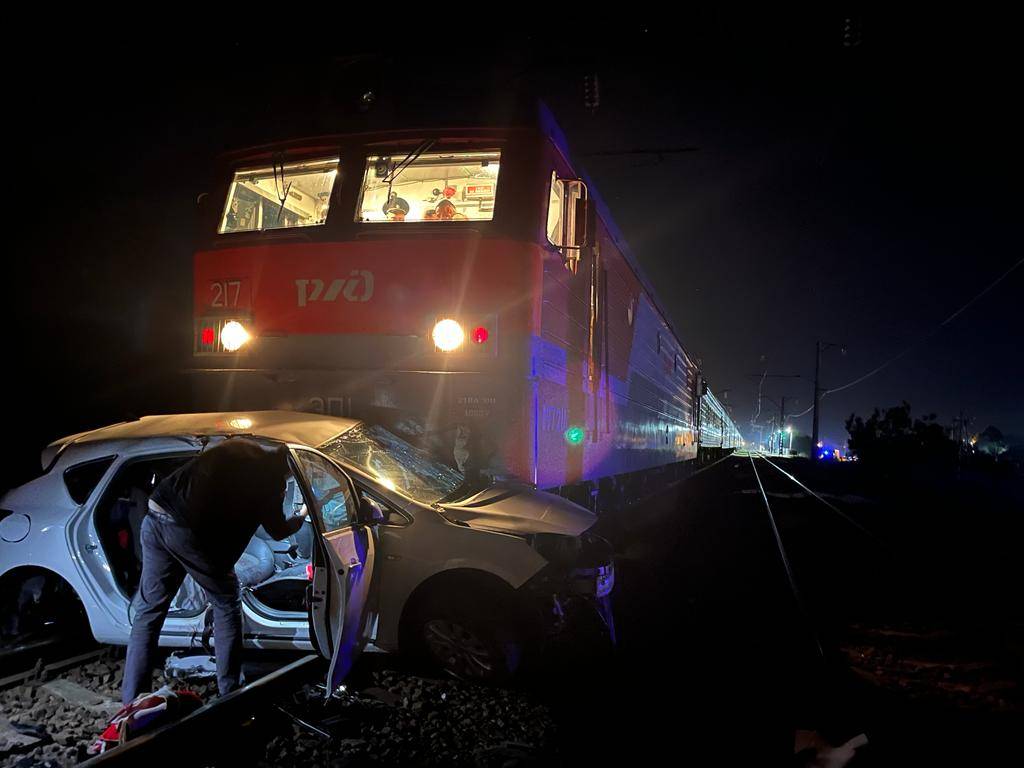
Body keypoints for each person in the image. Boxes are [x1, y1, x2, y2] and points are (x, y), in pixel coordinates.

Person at [121, 438, 306, 704]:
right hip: (185, 529)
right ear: (288, 467)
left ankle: (131, 699)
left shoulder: (239, 447)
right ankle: (229, 690)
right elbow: (277, 531)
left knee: (149, 613)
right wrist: (299, 514)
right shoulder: (271, 478)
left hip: (156, 515)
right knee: (227, 602)